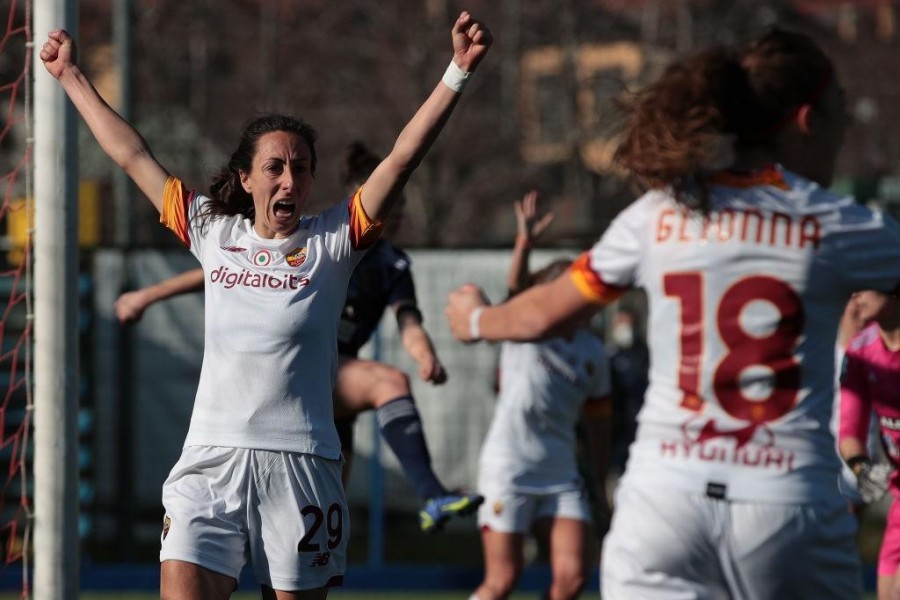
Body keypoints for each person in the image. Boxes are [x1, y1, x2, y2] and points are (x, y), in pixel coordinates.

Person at [42, 10, 491, 599]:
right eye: (274, 168)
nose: (288, 180)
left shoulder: (335, 241)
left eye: (300, 169)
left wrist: (455, 72)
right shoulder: (212, 231)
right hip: (211, 460)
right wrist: (72, 75)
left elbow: (401, 159)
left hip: (300, 465)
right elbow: (133, 157)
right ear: (247, 178)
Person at [446, 28, 900, 599]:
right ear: (808, 120)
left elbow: (544, 315)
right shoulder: (842, 224)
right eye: (842, 114)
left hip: (663, 503)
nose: (847, 128)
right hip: (788, 505)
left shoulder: (660, 213)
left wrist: (476, 320)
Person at [114, 142, 482, 535]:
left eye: (399, 200)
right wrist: (148, 295)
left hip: (331, 392)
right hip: (306, 374)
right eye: (390, 197)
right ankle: (430, 492)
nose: (396, 207)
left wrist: (425, 354)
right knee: (388, 382)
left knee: (315, 527)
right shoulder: (324, 242)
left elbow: (408, 320)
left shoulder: (390, 263)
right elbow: (217, 268)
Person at [469, 191, 610, 600]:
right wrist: (524, 244)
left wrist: (598, 481)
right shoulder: (526, 330)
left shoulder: (593, 352)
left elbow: (600, 421)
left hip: (561, 473)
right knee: (502, 581)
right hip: (509, 468)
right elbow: (515, 293)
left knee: (572, 580)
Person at [838, 290, 900, 600]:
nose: (856, 294)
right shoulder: (862, 349)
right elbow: (849, 430)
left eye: (868, 286)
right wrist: (861, 469)